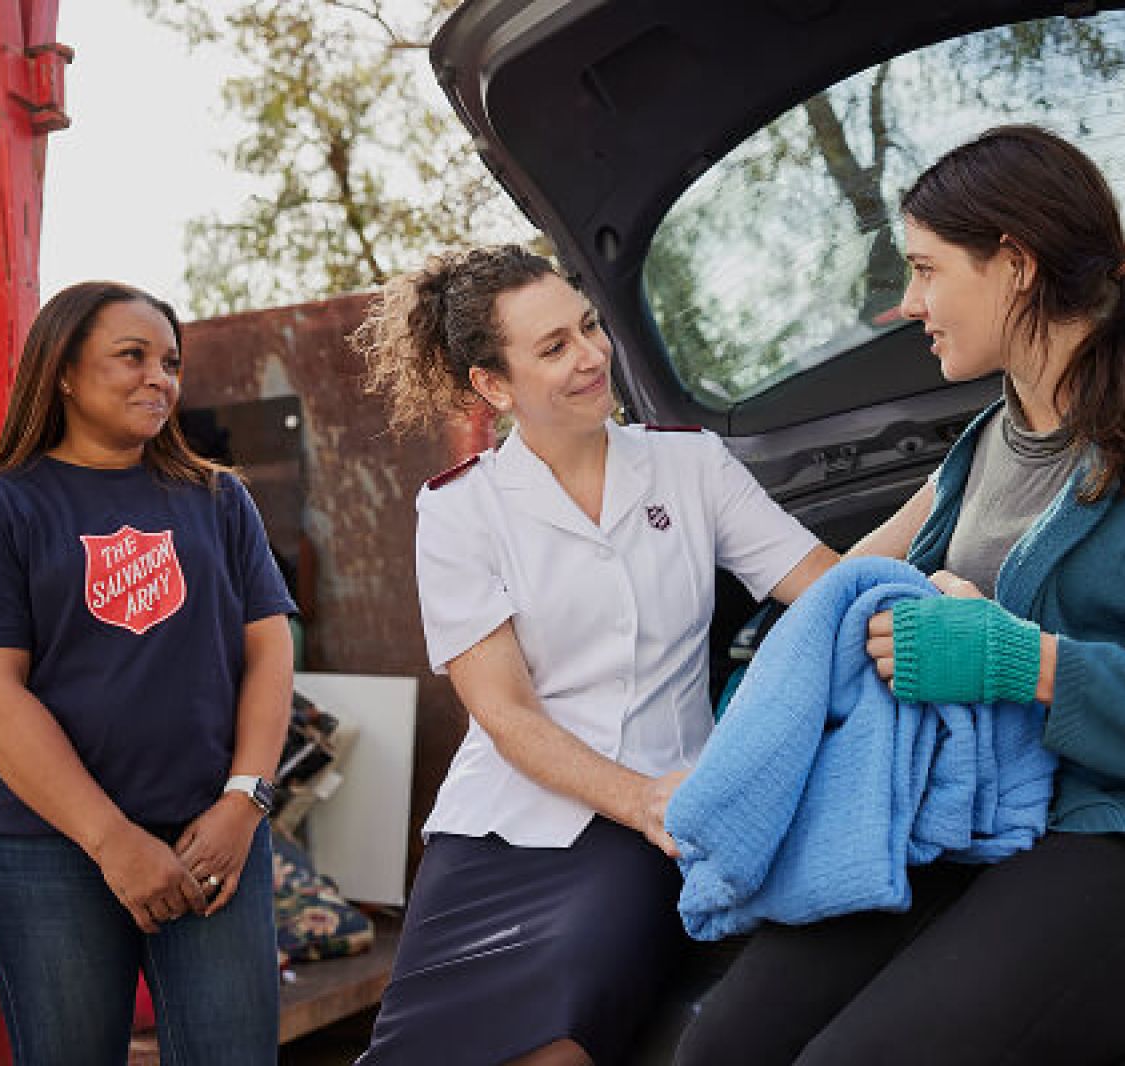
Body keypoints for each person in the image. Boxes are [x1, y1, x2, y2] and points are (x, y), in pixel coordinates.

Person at [674, 125, 1125, 1065]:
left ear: (1015, 263)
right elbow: (839, 594)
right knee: (721, 1047)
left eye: (924, 269)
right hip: (988, 818)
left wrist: (1023, 662)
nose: (908, 303)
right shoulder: (986, 444)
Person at [349, 245, 837, 1066]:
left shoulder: (691, 467)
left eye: (587, 327)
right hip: (501, 827)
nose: (590, 355)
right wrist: (639, 799)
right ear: (492, 387)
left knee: (557, 1045)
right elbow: (502, 712)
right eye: (553, 347)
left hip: (652, 820)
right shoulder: (458, 512)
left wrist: (951, 497)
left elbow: (824, 585)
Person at [0, 282, 296, 1066]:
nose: (158, 377)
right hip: (51, 851)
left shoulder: (220, 500)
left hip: (213, 842)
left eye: (170, 362)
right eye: (132, 356)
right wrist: (113, 841)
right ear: (62, 369)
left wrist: (244, 802)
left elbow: (269, 652)